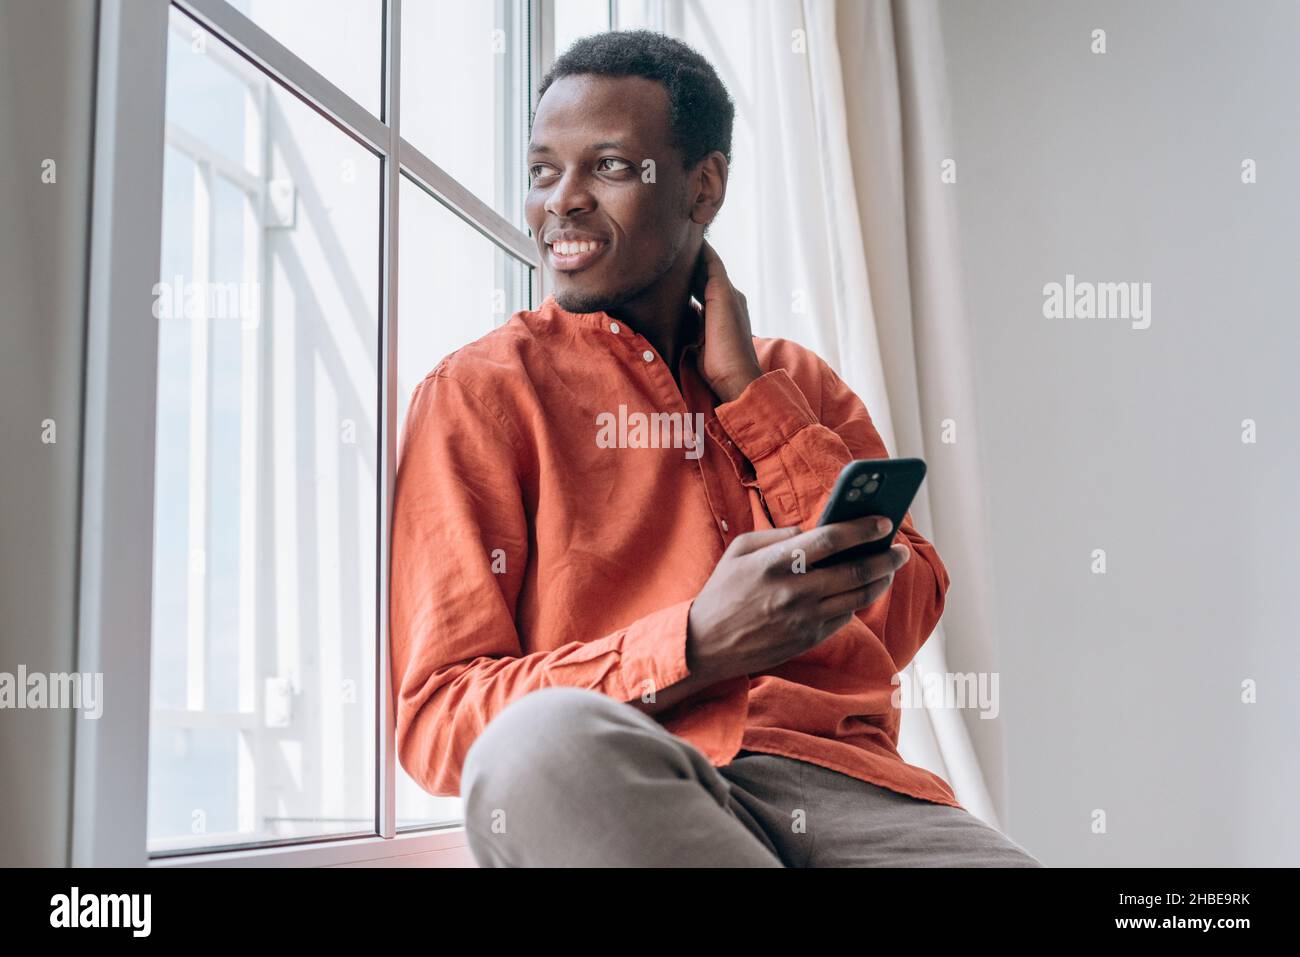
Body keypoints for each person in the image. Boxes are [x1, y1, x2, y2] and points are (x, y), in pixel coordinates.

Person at [389, 30, 1041, 868]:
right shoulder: (479, 394)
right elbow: (442, 719)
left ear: (703, 186)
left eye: (611, 166)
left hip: (856, 793)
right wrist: (694, 642)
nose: (564, 200)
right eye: (544, 170)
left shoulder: (797, 380)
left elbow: (903, 612)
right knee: (536, 749)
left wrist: (752, 399)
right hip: (634, 788)